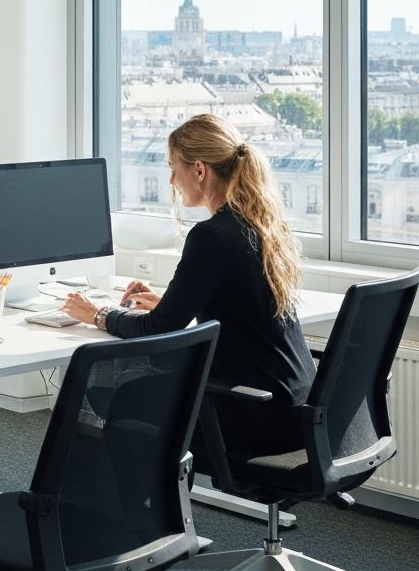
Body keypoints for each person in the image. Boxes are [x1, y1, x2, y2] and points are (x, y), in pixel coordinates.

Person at [61, 113, 314, 457]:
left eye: (172, 168)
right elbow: (238, 304)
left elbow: (158, 328)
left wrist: (98, 314)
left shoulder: (211, 235)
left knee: (109, 384)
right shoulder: (260, 224)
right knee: (137, 387)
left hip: (255, 411)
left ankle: (127, 507)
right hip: (294, 402)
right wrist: (170, 302)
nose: (170, 180)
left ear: (198, 170)